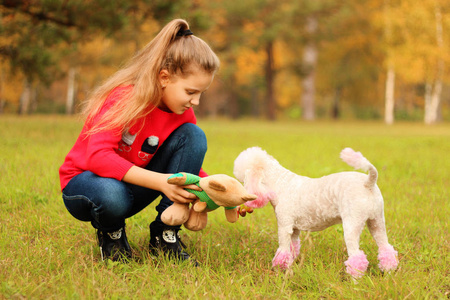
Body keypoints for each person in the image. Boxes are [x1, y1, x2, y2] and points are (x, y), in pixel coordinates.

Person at [59, 19, 220, 263]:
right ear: (164, 77)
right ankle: (112, 235)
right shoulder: (125, 98)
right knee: (112, 194)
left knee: (194, 135)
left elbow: (183, 163)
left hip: (134, 184)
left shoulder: (182, 113)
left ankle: (165, 235)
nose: (195, 101)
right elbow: (98, 157)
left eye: (201, 93)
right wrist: (162, 181)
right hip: (87, 185)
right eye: (190, 92)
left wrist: (211, 189)